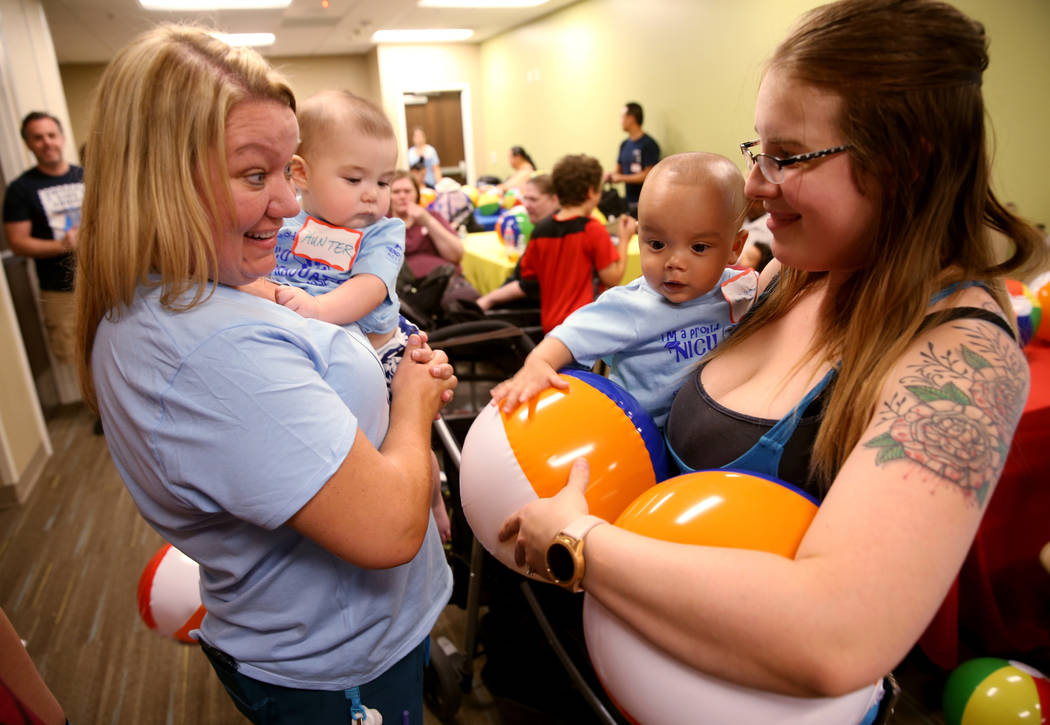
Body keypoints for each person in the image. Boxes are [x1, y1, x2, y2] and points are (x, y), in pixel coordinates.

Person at [497, 1, 1045, 722]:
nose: (754, 186)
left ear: (906, 161)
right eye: (759, 151)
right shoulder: (792, 273)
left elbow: (838, 634)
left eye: (788, 156)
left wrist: (582, 544)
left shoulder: (961, 355)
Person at [75, 25, 457, 725]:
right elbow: (387, 530)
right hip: (341, 659)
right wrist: (413, 404)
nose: (287, 205)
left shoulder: (191, 289)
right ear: (159, 180)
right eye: (256, 176)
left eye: (290, 171)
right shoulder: (210, 356)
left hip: (335, 632)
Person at [251, 89, 451, 541]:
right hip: (321, 348)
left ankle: (433, 498)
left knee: (404, 437)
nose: (371, 197)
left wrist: (319, 309)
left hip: (382, 348)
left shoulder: (383, 231)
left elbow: (371, 287)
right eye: (354, 179)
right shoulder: (287, 224)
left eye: (382, 183)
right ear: (301, 173)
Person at [491, 152, 758, 429]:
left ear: (735, 248)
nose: (674, 263)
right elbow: (570, 335)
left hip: (708, 436)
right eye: (656, 244)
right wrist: (539, 362)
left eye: (698, 248)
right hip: (643, 442)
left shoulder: (741, 290)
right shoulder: (631, 306)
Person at [2, 111, 84, 367]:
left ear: (62, 138)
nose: (47, 142)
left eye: (51, 135)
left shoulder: (86, 176)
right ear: (28, 143)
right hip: (59, 290)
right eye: (38, 138)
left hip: (103, 281)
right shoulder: (21, 189)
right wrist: (63, 245)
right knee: (73, 356)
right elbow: (18, 242)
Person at [519, 153, 627, 333]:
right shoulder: (593, 230)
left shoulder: (540, 230)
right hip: (585, 326)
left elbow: (528, 274)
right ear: (591, 192)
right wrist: (624, 239)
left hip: (551, 327)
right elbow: (613, 278)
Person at [389, 170, 480, 322]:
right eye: (396, 191)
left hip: (449, 281)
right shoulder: (383, 224)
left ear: (416, 194)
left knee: (469, 303)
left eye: (407, 191)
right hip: (416, 292)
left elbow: (456, 255)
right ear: (388, 195)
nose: (402, 196)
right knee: (456, 309)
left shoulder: (432, 217)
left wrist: (427, 222)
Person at [476, 173, 558, 312]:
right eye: (525, 198)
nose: (526, 205)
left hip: (531, 310)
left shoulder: (550, 234)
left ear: (554, 200)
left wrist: (489, 299)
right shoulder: (542, 229)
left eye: (533, 199)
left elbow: (528, 286)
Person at [604, 101, 660, 217]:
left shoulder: (649, 144)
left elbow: (650, 174)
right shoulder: (624, 145)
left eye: (622, 117)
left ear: (631, 118)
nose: (620, 121)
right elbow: (618, 172)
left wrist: (622, 178)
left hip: (646, 204)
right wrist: (610, 176)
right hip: (628, 203)